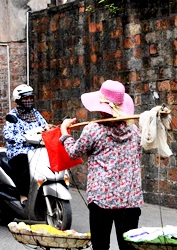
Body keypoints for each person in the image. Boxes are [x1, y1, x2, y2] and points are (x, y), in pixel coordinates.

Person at [60, 80, 143, 250]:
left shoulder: (93, 130)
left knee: (100, 246)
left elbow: (74, 152)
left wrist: (64, 131)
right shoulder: (134, 132)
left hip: (102, 200)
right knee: (129, 248)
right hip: (130, 200)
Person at [2, 84, 48, 201]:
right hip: (19, 150)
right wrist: (23, 138)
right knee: (24, 164)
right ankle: (23, 194)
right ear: (19, 100)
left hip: (36, 149)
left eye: (30, 98)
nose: (29, 101)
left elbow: (44, 126)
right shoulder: (12, 116)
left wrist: (49, 129)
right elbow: (8, 134)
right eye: (25, 99)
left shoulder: (36, 114)